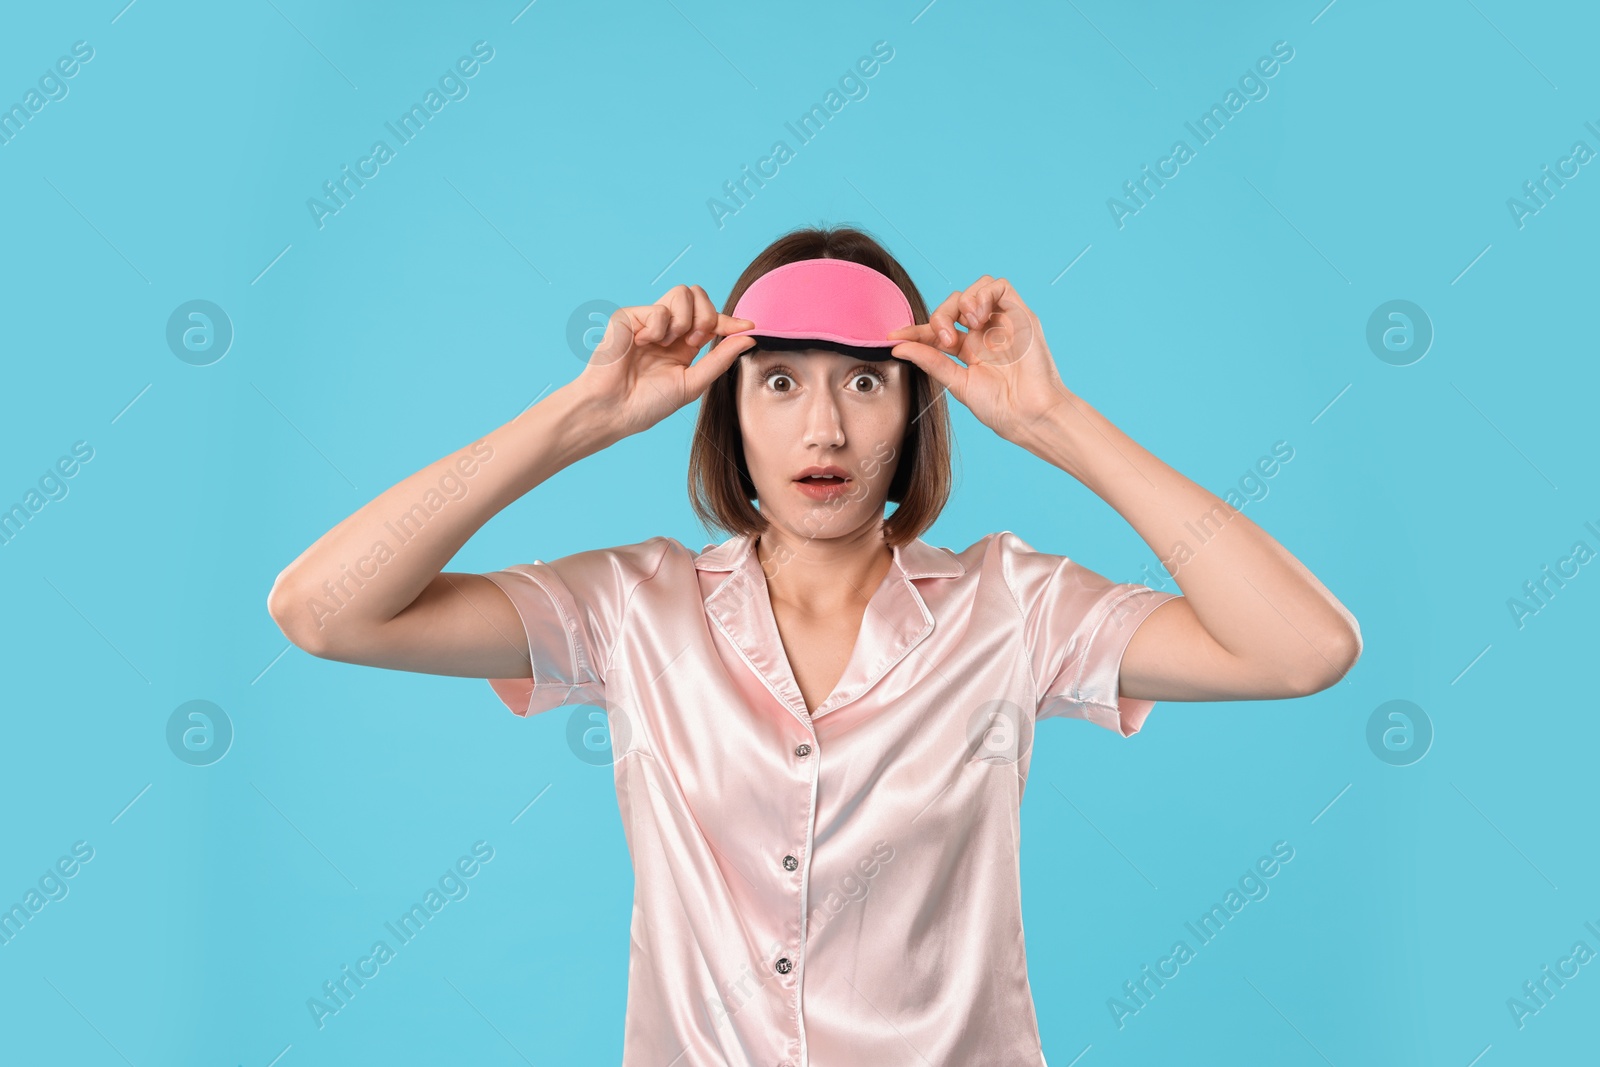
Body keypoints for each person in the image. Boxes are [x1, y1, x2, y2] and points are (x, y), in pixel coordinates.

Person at [267, 224, 1361, 1065]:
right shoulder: (631, 605)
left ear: (915, 407)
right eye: (780, 380)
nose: (824, 429)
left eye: (866, 380)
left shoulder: (1012, 607)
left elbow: (1302, 648)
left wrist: (1053, 421)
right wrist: (582, 414)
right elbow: (324, 609)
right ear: (726, 409)